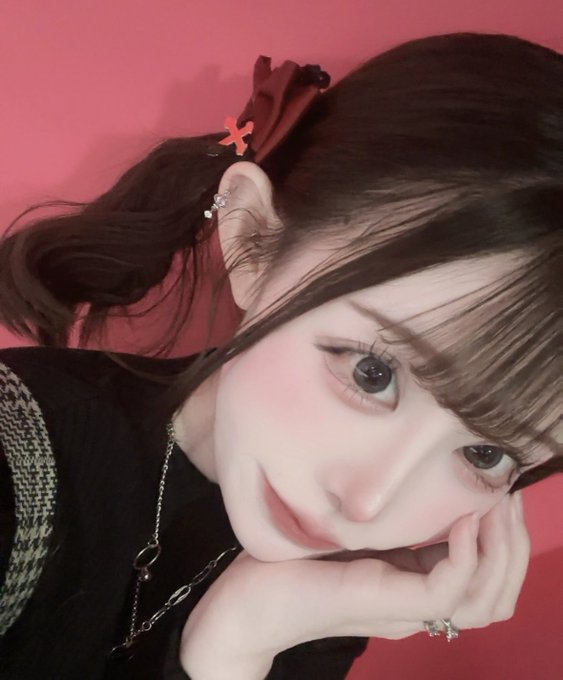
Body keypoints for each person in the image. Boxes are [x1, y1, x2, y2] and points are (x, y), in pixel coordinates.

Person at [0, 31, 560, 680]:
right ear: (250, 241)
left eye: (486, 454)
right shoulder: (16, 463)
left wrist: (239, 645)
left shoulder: (332, 593)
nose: (368, 504)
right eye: (372, 373)